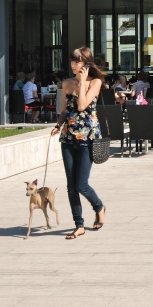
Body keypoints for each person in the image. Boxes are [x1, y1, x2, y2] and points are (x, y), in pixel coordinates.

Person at [50, 47, 108, 239]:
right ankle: (79, 224)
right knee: (71, 186)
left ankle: (99, 207)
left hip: (87, 139)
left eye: (77, 62)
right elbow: (65, 110)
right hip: (68, 138)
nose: (73, 65)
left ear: (86, 64)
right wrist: (58, 125)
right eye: (72, 61)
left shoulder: (95, 82)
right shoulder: (66, 83)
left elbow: (82, 105)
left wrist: (82, 82)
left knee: (81, 184)